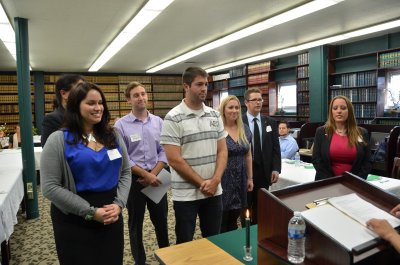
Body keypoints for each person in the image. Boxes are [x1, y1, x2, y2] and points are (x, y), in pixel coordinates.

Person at [40, 82, 131, 265]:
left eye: (100, 103)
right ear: (75, 105)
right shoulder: (58, 140)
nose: (98, 108)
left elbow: (126, 172)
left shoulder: (113, 135)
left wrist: (119, 204)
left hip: (111, 214)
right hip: (74, 218)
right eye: (91, 103)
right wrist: (90, 212)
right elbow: (50, 187)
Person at [160, 66, 228, 244]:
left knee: (214, 241)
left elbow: (222, 151)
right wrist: (202, 183)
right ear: (186, 86)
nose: (204, 88)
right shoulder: (173, 118)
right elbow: (174, 159)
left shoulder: (214, 115)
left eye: (206, 84)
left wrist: (215, 181)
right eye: (199, 84)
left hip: (214, 192)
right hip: (186, 195)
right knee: (185, 242)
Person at [114, 81, 169, 265]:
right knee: (135, 224)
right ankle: (140, 261)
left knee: (161, 221)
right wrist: (145, 175)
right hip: (133, 181)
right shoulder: (120, 125)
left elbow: (164, 150)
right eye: (136, 95)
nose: (141, 98)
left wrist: (152, 174)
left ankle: (166, 257)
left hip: (157, 178)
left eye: (143, 94)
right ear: (128, 99)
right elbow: (122, 157)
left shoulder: (158, 122)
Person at [243, 88, 281, 224]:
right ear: (246, 102)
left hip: (264, 172)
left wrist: (276, 168)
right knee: (246, 207)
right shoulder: (239, 121)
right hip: (246, 172)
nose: (258, 103)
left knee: (261, 208)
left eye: (260, 99)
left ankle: (257, 234)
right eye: (254, 100)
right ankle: (245, 232)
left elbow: (276, 148)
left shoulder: (270, 122)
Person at [312, 95, 371, 181]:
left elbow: (367, 162)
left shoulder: (362, 133)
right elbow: (316, 159)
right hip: (326, 183)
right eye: (335, 108)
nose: (339, 111)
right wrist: (332, 181)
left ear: (349, 111)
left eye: (343, 108)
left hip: (354, 184)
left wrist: (355, 181)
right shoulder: (321, 132)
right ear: (331, 112)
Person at [218, 95, 253, 233]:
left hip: (240, 179)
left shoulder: (244, 128)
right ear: (223, 110)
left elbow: (248, 155)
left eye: (237, 107)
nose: (234, 110)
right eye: (230, 107)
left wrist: (250, 178)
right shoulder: (218, 129)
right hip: (223, 179)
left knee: (234, 218)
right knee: (221, 219)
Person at [41, 74, 85, 146]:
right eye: (79, 89)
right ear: (64, 93)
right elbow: (49, 150)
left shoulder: (84, 115)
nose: (85, 92)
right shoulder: (52, 119)